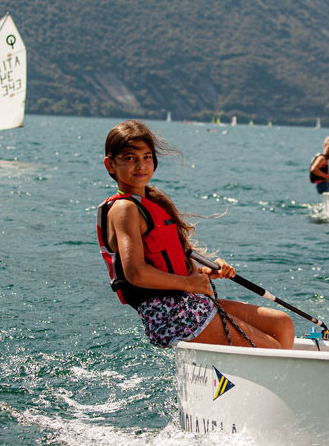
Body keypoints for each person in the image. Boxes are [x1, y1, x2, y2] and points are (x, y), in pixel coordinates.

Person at [97, 120, 294, 349]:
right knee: (271, 348)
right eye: (130, 158)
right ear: (110, 165)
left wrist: (205, 272)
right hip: (169, 315)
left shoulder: (149, 203)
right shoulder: (125, 209)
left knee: (282, 324)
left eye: (147, 157)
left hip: (188, 302)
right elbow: (136, 274)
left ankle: (261, 380)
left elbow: (166, 266)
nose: (140, 165)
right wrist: (189, 284)